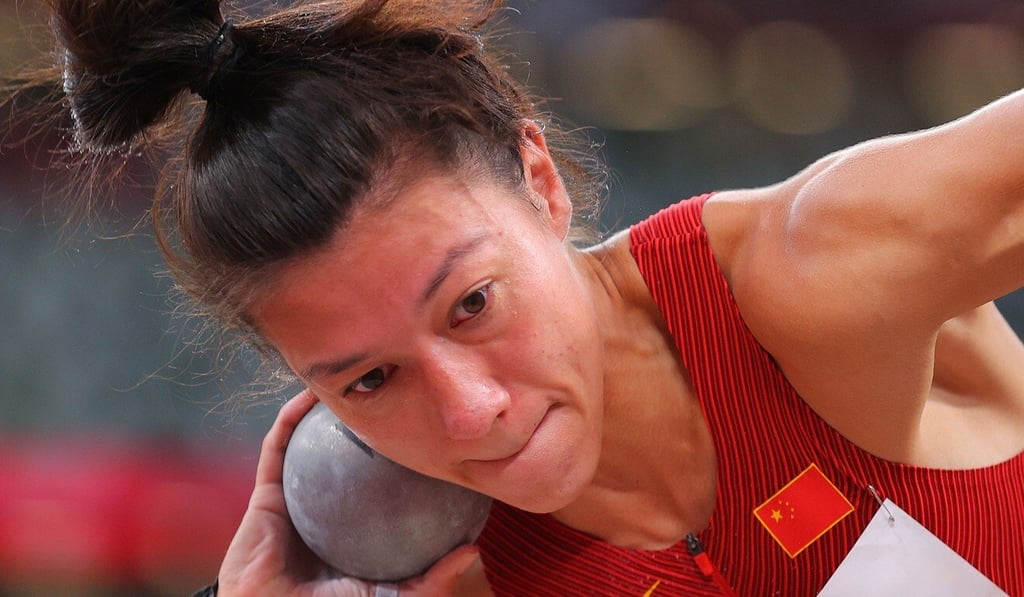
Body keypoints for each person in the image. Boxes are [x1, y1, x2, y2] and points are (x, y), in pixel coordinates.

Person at [14, 0, 1024, 594]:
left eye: (471, 305)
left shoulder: (814, 277)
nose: (469, 413)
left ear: (540, 182)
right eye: (369, 380)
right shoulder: (444, 572)